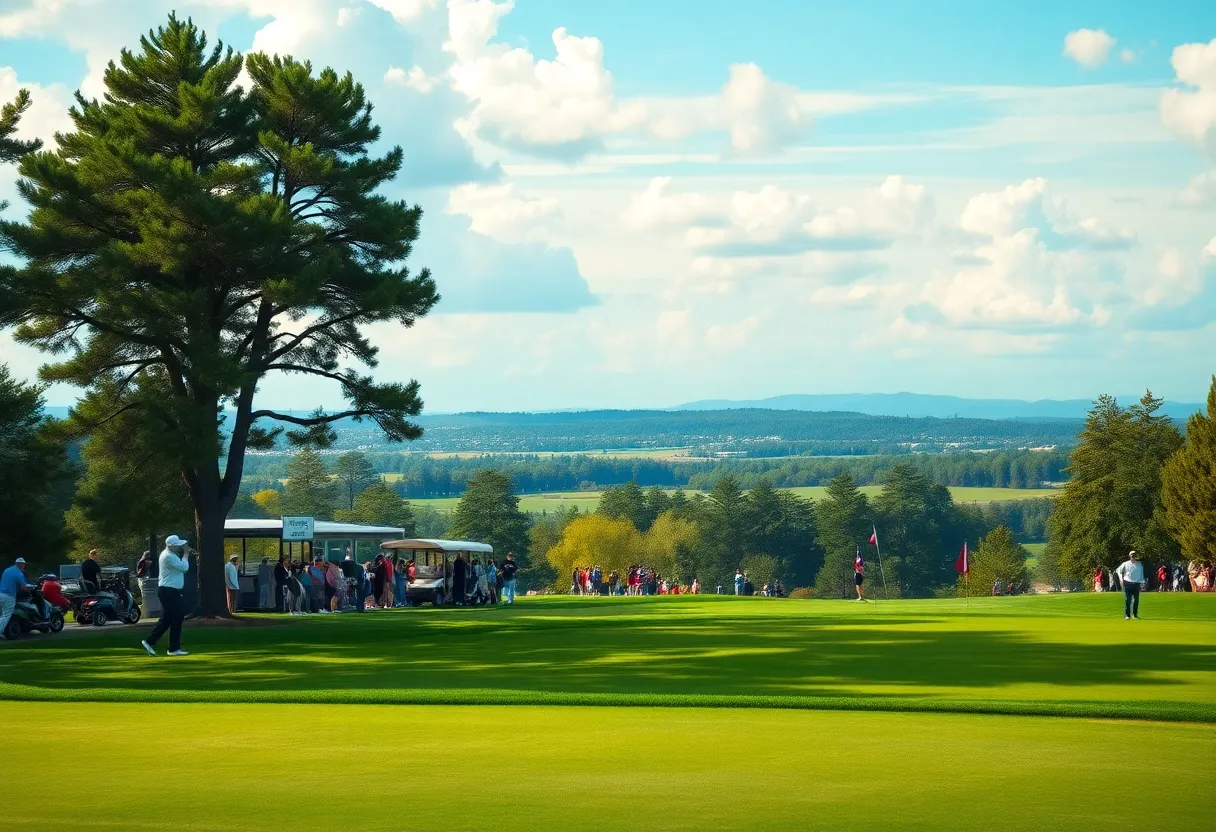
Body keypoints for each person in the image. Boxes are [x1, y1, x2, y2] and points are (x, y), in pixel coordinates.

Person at [141, 535, 191, 657]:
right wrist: (186, 554)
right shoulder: (168, 556)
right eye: (178, 545)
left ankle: (171, 647)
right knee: (175, 617)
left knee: (171, 617)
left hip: (170, 591)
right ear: (171, 546)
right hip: (168, 590)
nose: (180, 546)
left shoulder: (171, 555)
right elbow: (185, 567)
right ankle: (153, 642)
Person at [0, 558, 30, 638]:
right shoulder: (19, 573)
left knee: (1, 614)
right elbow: (23, 587)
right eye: (23, 564)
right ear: (20, 564)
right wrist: (28, 589)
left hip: (1, 594)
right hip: (9, 596)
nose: (24, 566)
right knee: (6, 615)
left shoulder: (7, 570)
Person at [1115, 550, 1145, 620]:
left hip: (1136, 583)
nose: (1133, 556)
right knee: (1127, 600)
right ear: (1129, 556)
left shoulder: (1140, 564)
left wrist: (1142, 582)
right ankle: (1127, 615)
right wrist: (1121, 579)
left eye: (1134, 554)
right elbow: (1118, 571)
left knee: (1136, 600)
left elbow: (1141, 574)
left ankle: (1135, 614)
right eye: (1132, 555)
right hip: (1127, 583)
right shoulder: (1125, 564)